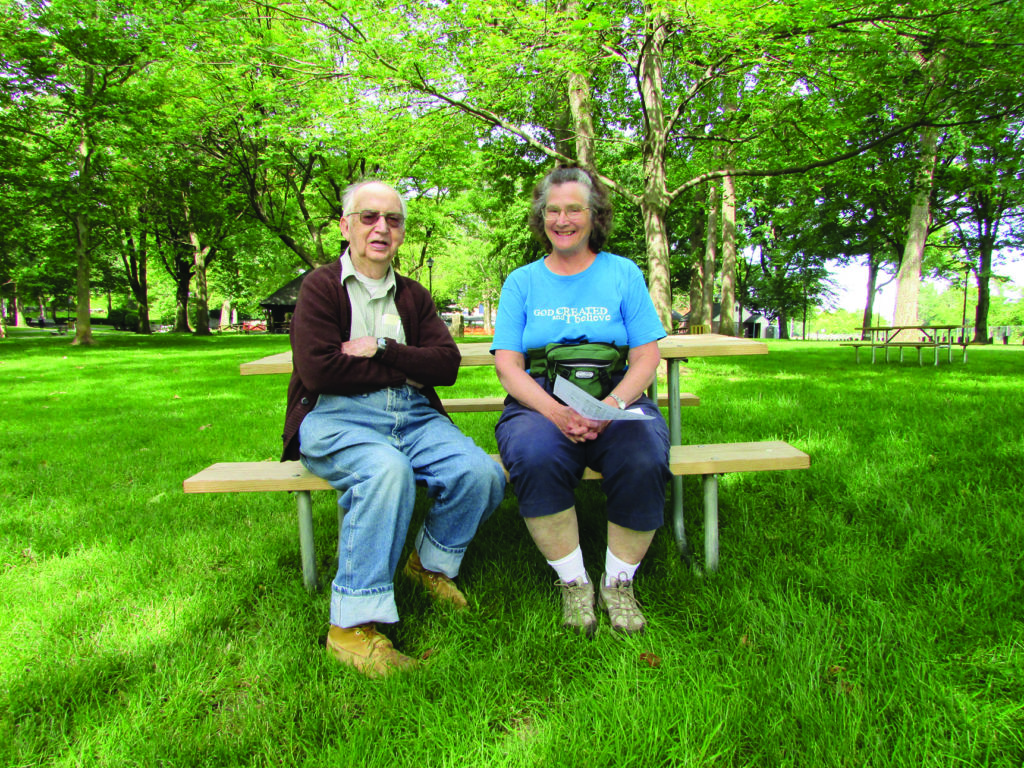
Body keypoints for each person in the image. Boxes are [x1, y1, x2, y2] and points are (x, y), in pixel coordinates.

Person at [282, 180, 506, 677]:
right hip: (337, 417)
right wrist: (409, 364)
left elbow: (445, 367)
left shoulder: (414, 296)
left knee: (482, 473)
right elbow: (320, 372)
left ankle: (427, 565)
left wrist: (380, 348)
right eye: (368, 217)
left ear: (402, 233)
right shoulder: (320, 287)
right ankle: (351, 628)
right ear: (346, 226)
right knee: (387, 470)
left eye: (393, 219)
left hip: (413, 414)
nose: (381, 227)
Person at [491, 166, 671, 637]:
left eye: (574, 209)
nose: (563, 219)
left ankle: (618, 583)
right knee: (534, 454)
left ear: (595, 216)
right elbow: (509, 366)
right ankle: (574, 582)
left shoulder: (623, 273)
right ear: (541, 216)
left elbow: (647, 356)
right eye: (553, 209)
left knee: (643, 452)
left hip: (615, 394)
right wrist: (555, 411)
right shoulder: (522, 282)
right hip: (540, 402)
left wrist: (607, 407)